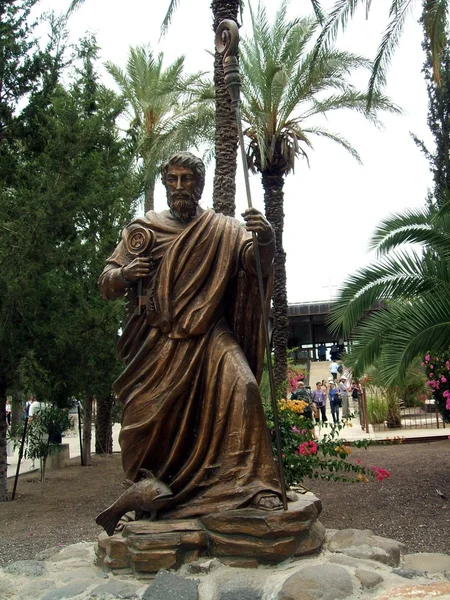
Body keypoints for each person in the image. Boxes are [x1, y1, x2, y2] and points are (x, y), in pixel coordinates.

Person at [98, 151, 283, 517]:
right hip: (158, 344)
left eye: (188, 179)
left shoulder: (224, 229)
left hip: (211, 334)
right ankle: (152, 493)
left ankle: (255, 485)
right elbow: (107, 282)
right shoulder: (145, 229)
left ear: (200, 184)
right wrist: (126, 274)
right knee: (146, 420)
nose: (180, 186)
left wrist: (265, 241)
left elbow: (254, 265)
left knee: (244, 387)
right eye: (173, 179)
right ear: (166, 182)